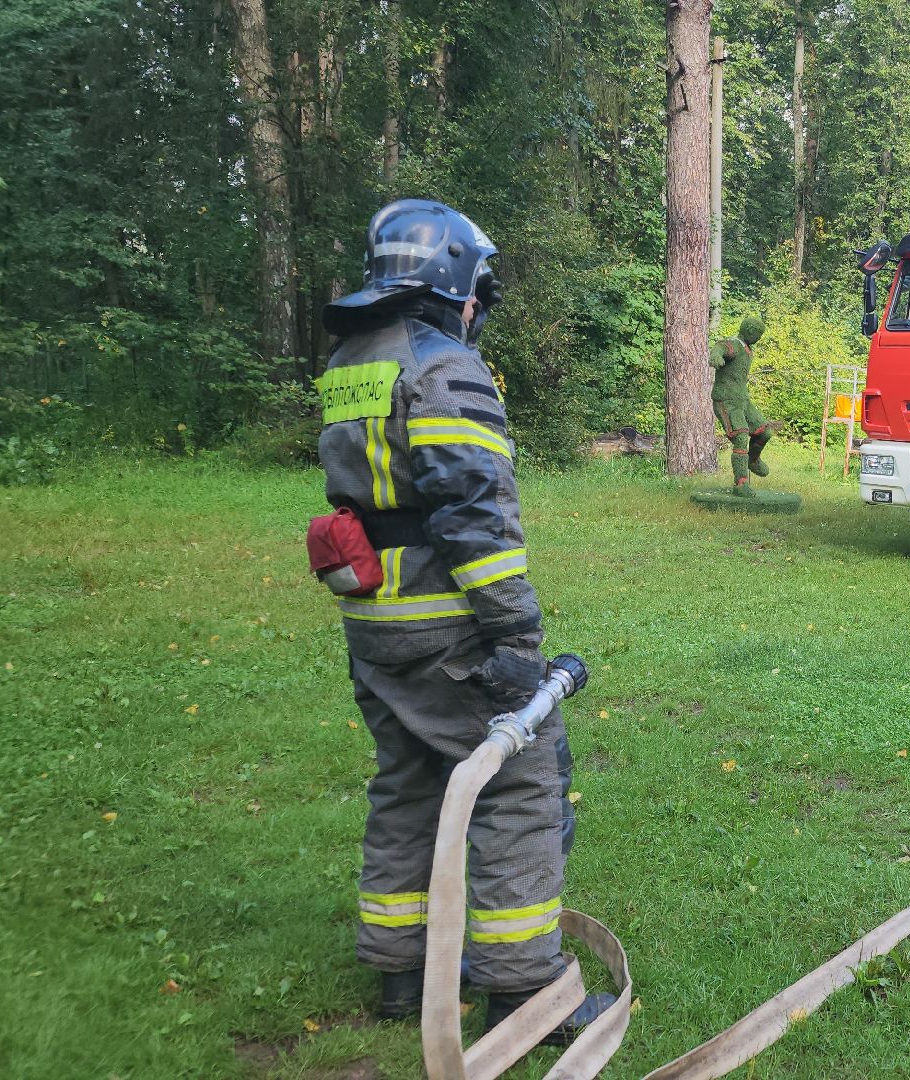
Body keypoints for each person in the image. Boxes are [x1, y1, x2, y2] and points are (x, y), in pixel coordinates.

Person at [314, 199, 610, 1038]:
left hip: (375, 624)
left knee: (408, 782)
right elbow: (473, 516)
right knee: (520, 782)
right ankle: (524, 990)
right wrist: (515, 639)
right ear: (452, 282)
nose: (478, 308)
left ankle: (399, 973)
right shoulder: (445, 368)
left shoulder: (352, 361)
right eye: (478, 291)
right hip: (449, 626)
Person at [712, 315, 777, 495]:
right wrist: (716, 356)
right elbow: (721, 347)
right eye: (758, 334)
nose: (759, 338)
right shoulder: (735, 345)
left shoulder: (748, 349)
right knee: (740, 437)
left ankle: (753, 460)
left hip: (743, 400)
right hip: (726, 400)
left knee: (765, 432)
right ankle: (741, 484)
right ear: (749, 331)